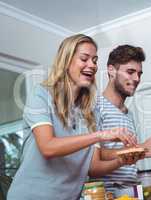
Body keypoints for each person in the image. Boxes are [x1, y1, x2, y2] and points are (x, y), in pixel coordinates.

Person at [7, 34, 137, 200]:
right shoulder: (41, 95)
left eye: (95, 60)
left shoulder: (91, 111)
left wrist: (125, 158)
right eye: (84, 58)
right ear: (66, 61)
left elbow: (93, 165)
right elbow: (48, 147)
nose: (92, 65)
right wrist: (100, 135)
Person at [92, 44, 151, 196]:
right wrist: (142, 148)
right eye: (130, 72)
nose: (136, 79)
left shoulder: (129, 115)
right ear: (111, 70)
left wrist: (146, 151)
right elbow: (93, 156)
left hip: (132, 192)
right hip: (109, 194)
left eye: (139, 74)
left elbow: (128, 163)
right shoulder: (95, 107)